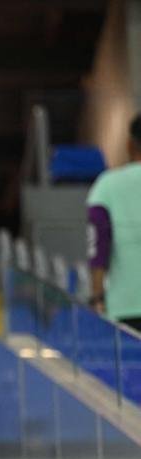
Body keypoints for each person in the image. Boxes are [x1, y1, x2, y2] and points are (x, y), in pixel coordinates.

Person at [87, 113, 141, 331]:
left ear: (129, 144)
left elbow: (98, 246)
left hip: (124, 308)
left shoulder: (106, 186)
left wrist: (97, 296)